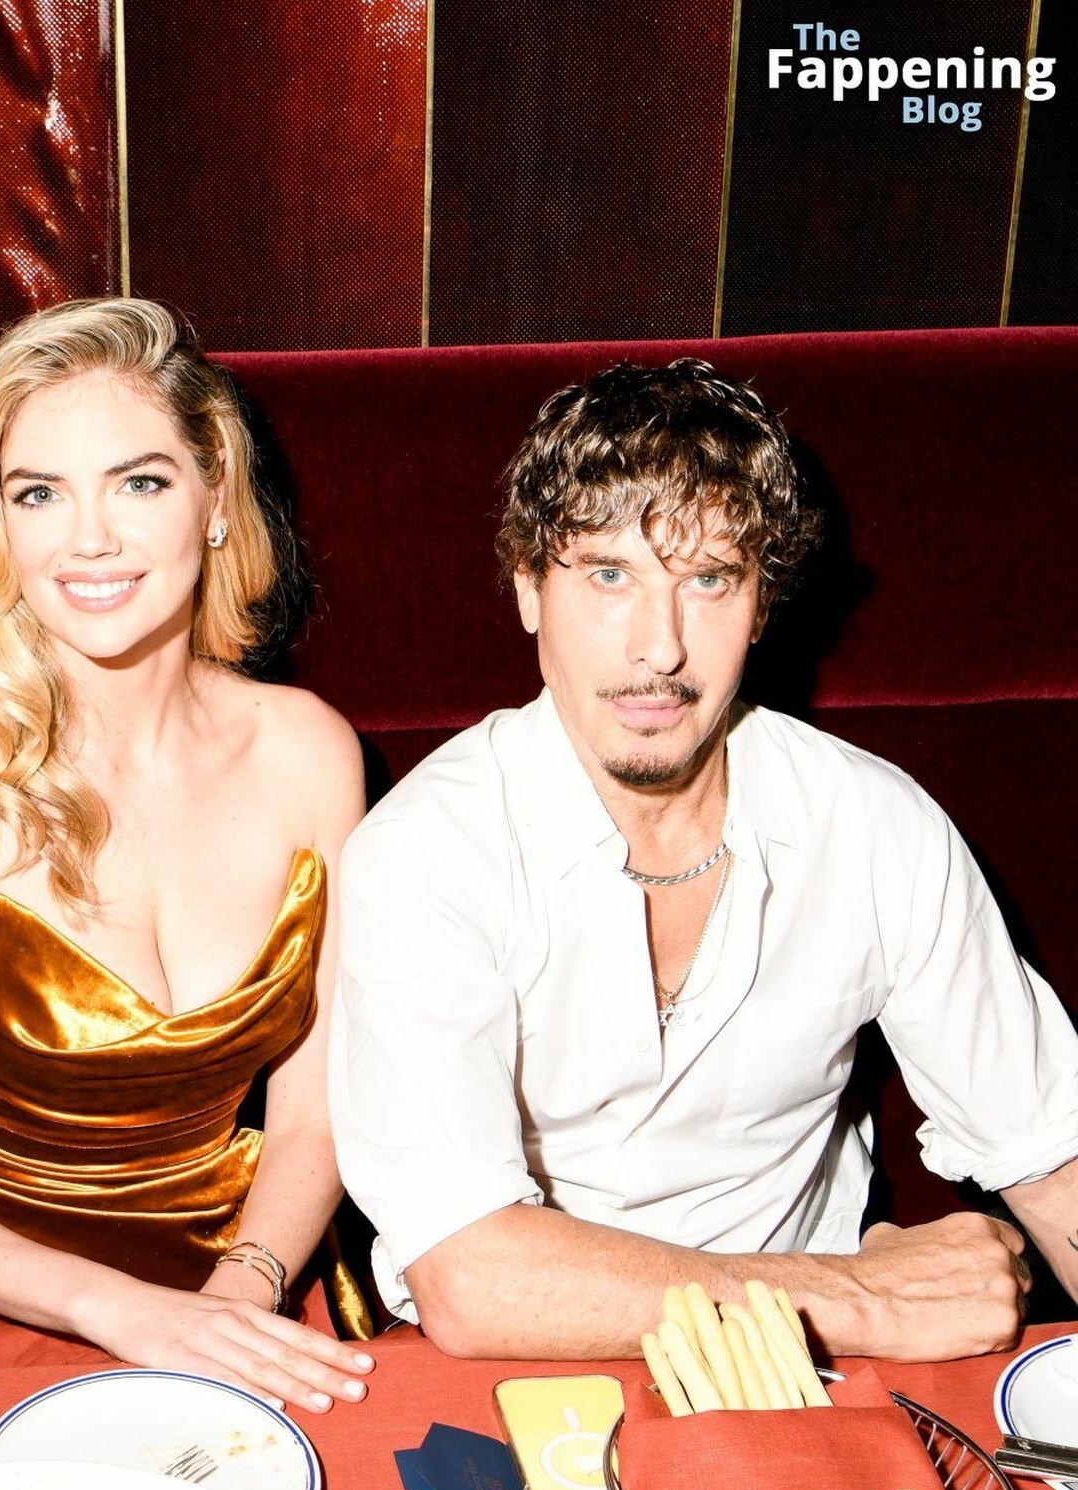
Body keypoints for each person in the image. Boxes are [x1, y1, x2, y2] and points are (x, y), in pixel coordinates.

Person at [329, 358, 1078, 1363]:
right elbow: (471, 1277)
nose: (661, 650)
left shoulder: (873, 825)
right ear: (529, 589)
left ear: (761, 604)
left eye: (710, 580)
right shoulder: (428, 853)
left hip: (818, 1374)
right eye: (609, 576)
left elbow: (1053, 1156)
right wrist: (856, 1297)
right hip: (541, 1362)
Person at [0, 297, 376, 1411]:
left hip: (242, 1278)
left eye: (139, 482)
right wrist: (117, 1311)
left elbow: (315, 1117)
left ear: (216, 495)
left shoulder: (311, 754)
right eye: (38, 494)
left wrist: (240, 1296)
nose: (90, 540)